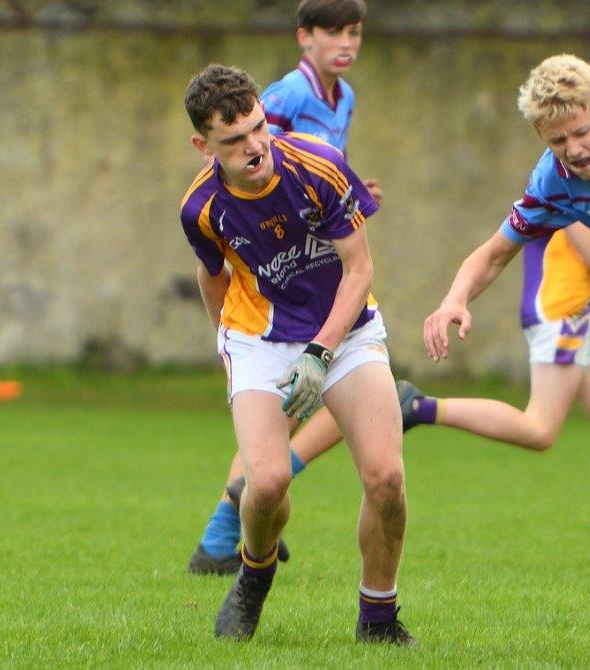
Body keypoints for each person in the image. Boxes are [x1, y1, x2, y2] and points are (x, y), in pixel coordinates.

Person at [179, 64, 414, 645]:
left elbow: (359, 270)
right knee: (265, 484)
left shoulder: (318, 165)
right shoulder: (200, 208)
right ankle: (254, 574)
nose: (254, 146)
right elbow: (212, 281)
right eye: (233, 141)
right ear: (202, 145)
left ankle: (378, 617)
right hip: (258, 337)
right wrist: (231, 353)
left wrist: (320, 351)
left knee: (386, 480)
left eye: (258, 127)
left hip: (346, 329)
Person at [400, 59, 590, 567]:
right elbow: (567, 225)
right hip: (559, 302)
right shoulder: (569, 166)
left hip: (576, 304)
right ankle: (420, 408)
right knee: (541, 429)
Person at [187, 0, 383, 576]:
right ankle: (229, 525)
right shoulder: (283, 98)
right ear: (305, 39)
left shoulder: (342, 99)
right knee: (285, 412)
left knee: (300, 407)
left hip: (317, 268)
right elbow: (245, 161)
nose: (346, 43)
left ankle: (231, 526)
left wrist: (351, 192)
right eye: (333, 32)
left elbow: (317, 176)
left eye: (355, 32)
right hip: (271, 287)